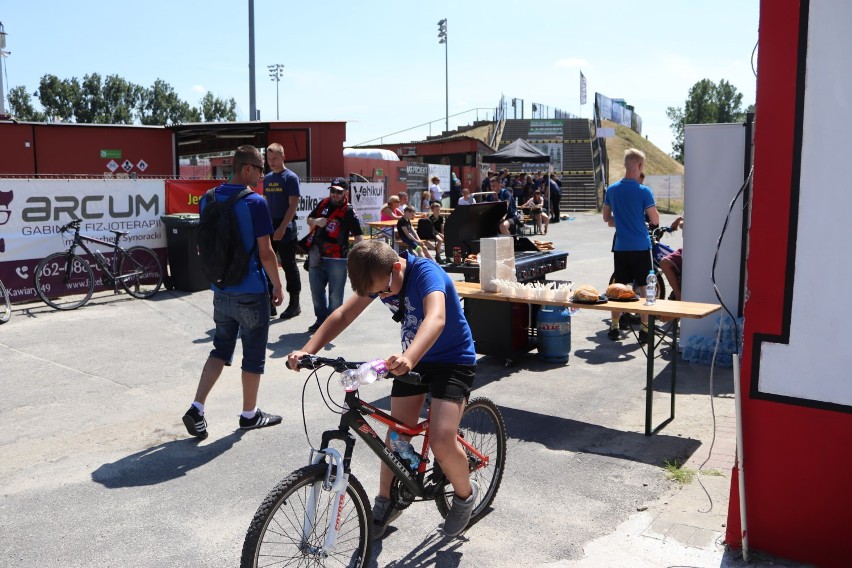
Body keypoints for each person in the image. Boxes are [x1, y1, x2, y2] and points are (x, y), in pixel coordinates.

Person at [286, 239, 478, 539]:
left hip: (452, 361)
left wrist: (409, 357)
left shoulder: (427, 274)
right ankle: (386, 501)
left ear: (397, 267)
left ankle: (465, 496)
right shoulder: (379, 279)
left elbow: (436, 318)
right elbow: (342, 315)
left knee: (441, 441)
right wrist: (307, 351)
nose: (381, 296)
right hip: (411, 359)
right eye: (374, 294)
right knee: (395, 435)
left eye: (383, 290)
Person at [182, 145, 283, 439]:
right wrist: (278, 283)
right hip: (250, 290)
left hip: (221, 289)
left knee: (220, 348)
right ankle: (249, 414)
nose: (263, 175)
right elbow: (266, 252)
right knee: (253, 356)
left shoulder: (208, 198)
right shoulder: (255, 202)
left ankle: (197, 407)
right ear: (247, 169)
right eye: (261, 169)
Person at [602, 148, 660, 342]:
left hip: (621, 247)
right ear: (640, 166)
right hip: (641, 246)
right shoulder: (644, 191)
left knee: (619, 287)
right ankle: (644, 329)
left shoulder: (612, 189)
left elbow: (606, 218)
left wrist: (622, 220)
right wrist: (639, 221)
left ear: (625, 165)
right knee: (645, 288)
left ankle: (615, 327)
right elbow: (655, 219)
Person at [304, 178, 364, 333]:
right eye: (333, 191)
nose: (335, 194)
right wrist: (316, 221)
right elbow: (309, 219)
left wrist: (357, 258)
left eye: (339, 191)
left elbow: (358, 235)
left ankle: (333, 324)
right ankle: (321, 320)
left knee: (335, 295)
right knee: (316, 291)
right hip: (316, 254)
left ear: (345, 193)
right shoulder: (323, 203)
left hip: (337, 258)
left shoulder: (349, 211)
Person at [263, 143, 301, 320]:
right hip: (269, 225)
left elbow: (293, 205)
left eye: (275, 158)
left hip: (285, 226)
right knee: (267, 263)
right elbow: (266, 201)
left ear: (283, 157)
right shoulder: (268, 178)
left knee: (288, 265)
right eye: (269, 159)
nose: (271, 162)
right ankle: (270, 301)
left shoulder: (290, 178)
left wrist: (282, 227)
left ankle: (295, 304)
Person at [660, 216, 684, 300]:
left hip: (689, 250)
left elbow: (684, 224)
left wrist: (679, 221)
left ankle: (678, 296)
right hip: (685, 247)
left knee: (665, 262)